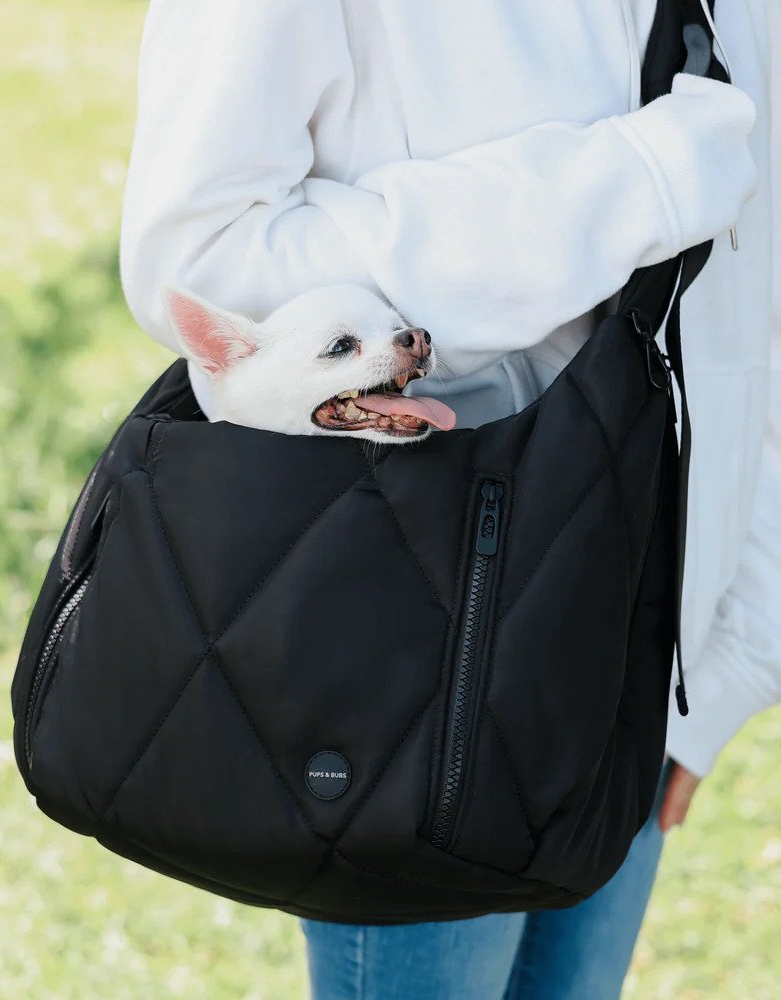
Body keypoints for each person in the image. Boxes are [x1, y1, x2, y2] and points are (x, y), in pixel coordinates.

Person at [118, 2, 781, 996]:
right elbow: (202, 261)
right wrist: (627, 185)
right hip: (422, 643)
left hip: (649, 647)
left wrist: (731, 655)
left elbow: (758, 292)